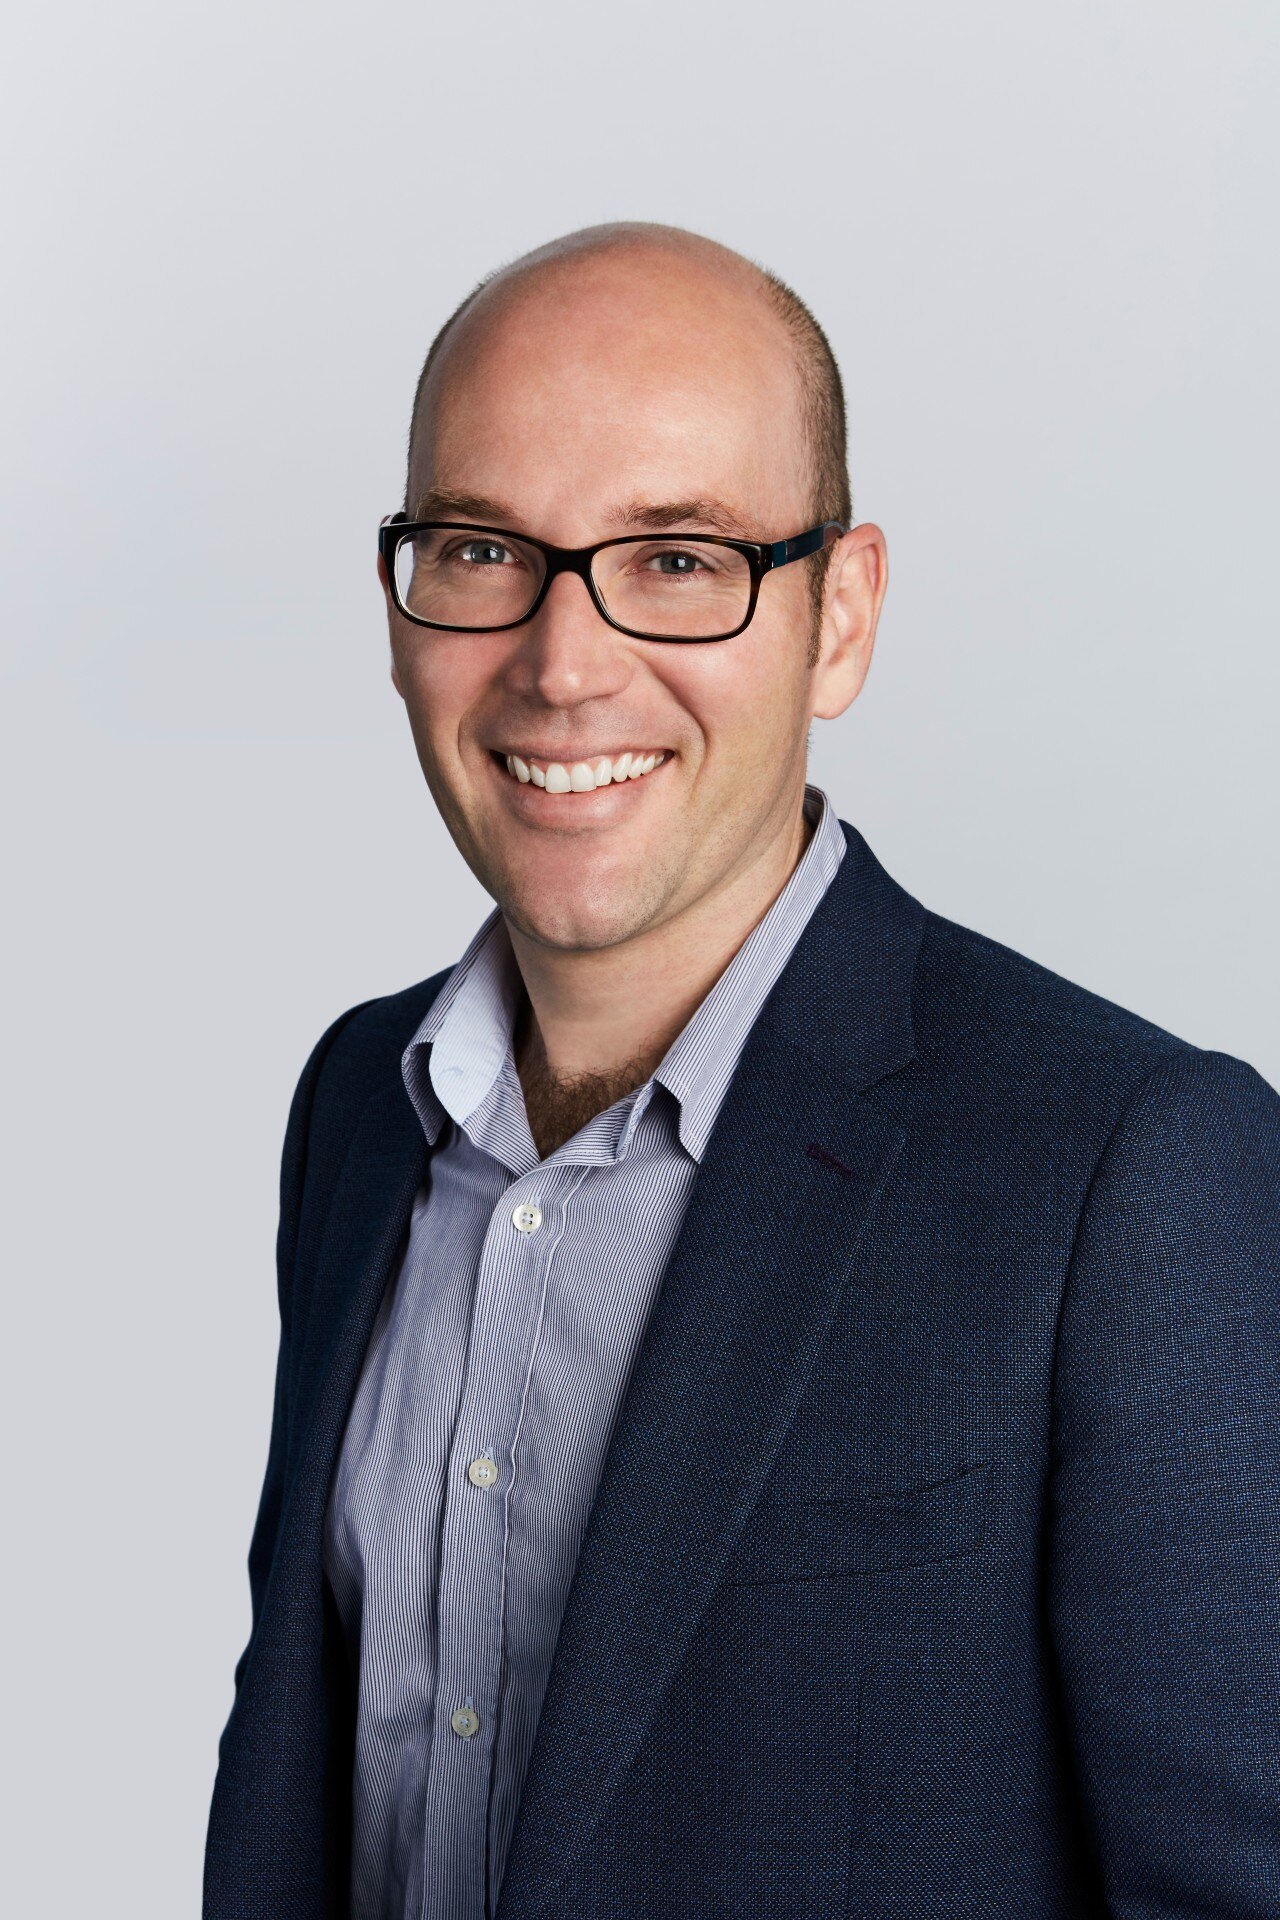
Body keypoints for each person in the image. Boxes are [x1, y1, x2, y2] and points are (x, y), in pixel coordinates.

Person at [203, 222, 1280, 1920]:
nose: (564, 664)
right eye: (485, 548)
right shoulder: (360, 1103)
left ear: (838, 618)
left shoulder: (1129, 1170)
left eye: (681, 560)